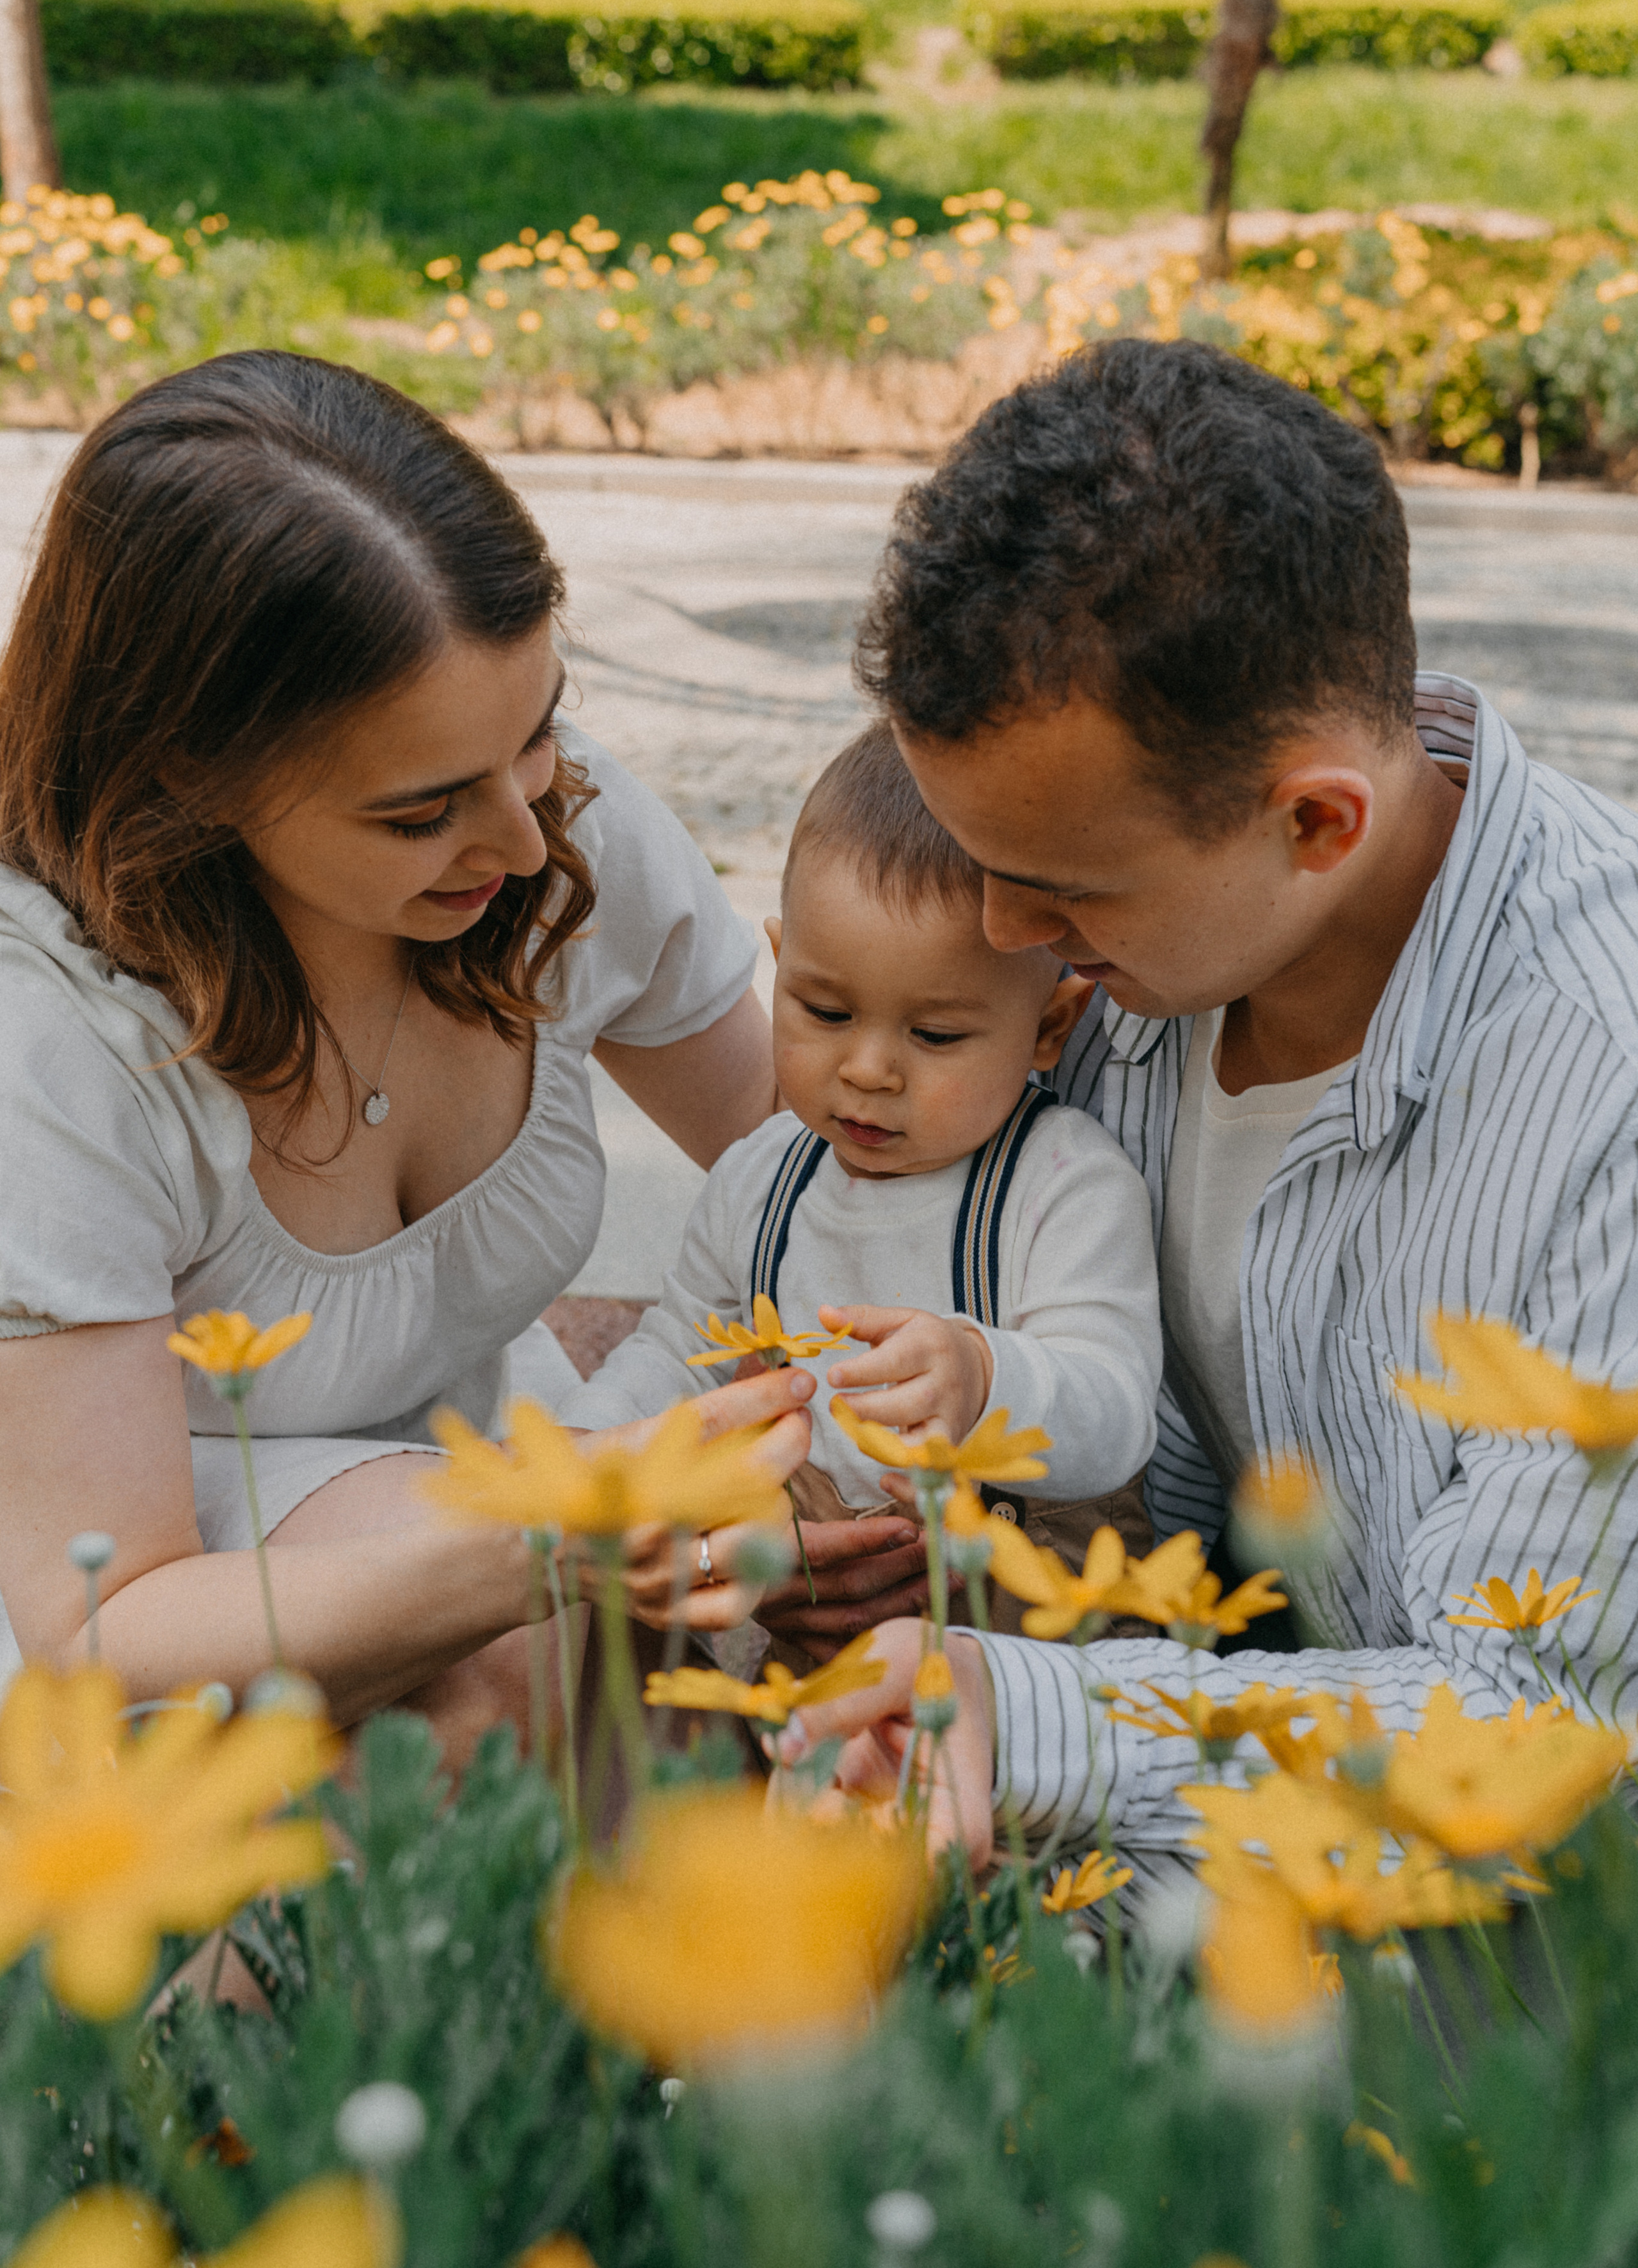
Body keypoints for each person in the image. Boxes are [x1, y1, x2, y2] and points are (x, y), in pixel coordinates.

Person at [780, 336, 1638, 1891]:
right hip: (1217, 1816)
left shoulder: (1602, 1071)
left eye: (1057, 891)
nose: (993, 935)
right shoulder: (1139, 958)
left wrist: (1021, 1714)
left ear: (1314, 823)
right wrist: (958, 1550)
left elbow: (1546, 1729)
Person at [0, 350, 895, 1756]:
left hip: (473, 1465)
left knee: (708, 1642)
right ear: (189, 777)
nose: (528, 843)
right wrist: (543, 1543)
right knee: (489, 1685)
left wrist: (879, 1474)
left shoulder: (555, 835)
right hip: (129, 1567)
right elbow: (101, 1620)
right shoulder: (51, 1041)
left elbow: (826, 1174)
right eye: (422, 814)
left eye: (534, 732)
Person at [564, 723, 1162, 1655]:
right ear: (778, 963)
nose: (870, 1070)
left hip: (1028, 1642)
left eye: (936, 1037)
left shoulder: (1062, 1185)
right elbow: (682, 1354)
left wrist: (987, 1376)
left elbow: (1117, 1405)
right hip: (812, 1618)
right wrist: (588, 1442)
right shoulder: (762, 1179)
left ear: (1050, 1027)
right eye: (826, 1012)